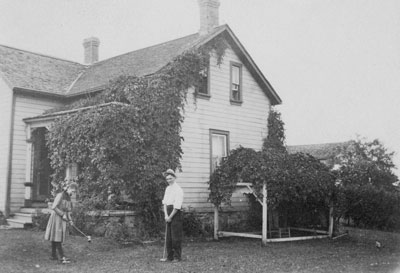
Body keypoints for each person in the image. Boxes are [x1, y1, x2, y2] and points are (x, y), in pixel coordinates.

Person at [44, 182, 78, 264]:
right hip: (56, 217)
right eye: (72, 191)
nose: (73, 193)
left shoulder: (69, 199)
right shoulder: (60, 195)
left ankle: (53, 255)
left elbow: (68, 211)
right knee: (57, 236)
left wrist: (70, 220)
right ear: (68, 188)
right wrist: (62, 214)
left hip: (62, 219)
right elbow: (54, 207)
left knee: (55, 236)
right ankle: (62, 257)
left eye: (74, 192)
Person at [162, 169, 184, 262]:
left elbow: (177, 206)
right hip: (168, 212)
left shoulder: (178, 189)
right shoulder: (167, 189)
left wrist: (170, 217)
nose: (169, 180)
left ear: (174, 178)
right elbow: (165, 203)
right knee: (168, 236)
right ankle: (169, 256)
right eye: (167, 179)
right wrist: (166, 215)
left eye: (170, 178)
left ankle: (177, 257)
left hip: (175, 213)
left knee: (175, 236)